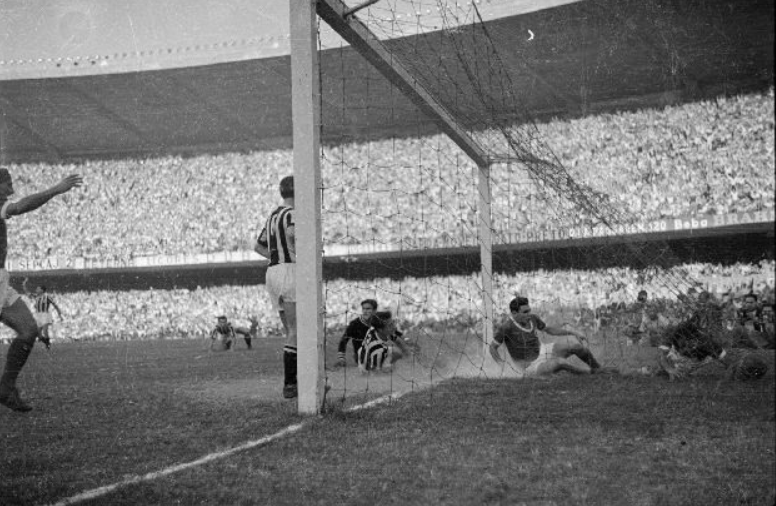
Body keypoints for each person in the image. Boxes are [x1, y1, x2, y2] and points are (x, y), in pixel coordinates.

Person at [0, 168, 82, 412]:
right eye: (7, 185)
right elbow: (20, 207)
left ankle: (5, 388)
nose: (11, 191)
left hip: (2, 282)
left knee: (28, 331)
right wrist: (56, 189)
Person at [255, 175, 298, 399]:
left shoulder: (273, 215)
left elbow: (258, 246)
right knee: (298, 331)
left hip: (273, 272)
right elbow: (293, 234)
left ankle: (299, 381)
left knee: (291, 330)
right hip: (290, 271)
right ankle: (291, 384)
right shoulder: (293, 214)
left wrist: (278, 257)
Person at [488, 296, 604, 377]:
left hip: (543, 351)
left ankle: (599, 369)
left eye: (529, 310)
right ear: (514, 313)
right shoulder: (506, 327)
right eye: (525, 312)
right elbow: (492, 348)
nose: (529, 314)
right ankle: (590, 374)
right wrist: (502, 365)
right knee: (560, 362)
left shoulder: (533, 318)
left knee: (575, 345)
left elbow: (550, 330)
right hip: (531, 366)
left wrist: (574, 333)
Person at [22, 279, 63, 350]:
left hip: (45, 315)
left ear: (42, 290)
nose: (36, 289)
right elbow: (27, 293)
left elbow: (55, 305)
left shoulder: (47, 296)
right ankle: (47, 343)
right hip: (38, 315)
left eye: (38, 289)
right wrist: (24, 284)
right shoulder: (36, 296)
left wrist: (59, 314)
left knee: (45, 330)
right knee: (37, 334)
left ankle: (46, 345)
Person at [337, 298, 377, 367]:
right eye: (363, 309)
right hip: (361, 356)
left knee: (395, 352)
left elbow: (393, 335)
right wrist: (341, 358)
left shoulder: (379, 322)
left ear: (374, 310)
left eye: (368, 309)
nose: (365, 311)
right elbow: (343, 341)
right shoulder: (354, 324)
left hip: (378, 351)